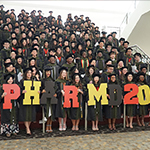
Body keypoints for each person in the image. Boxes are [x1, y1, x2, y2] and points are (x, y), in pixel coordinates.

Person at [18, 68, 40, 135]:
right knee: (25, 114)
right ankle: (27, 128)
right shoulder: (22, 81)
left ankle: (28, 127)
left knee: (30, 114)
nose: (29, 74)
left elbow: (37, 89)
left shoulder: (34, 81)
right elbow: (18, 90)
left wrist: (38, 91)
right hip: (24, 100)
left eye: (30, 73)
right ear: (25, 74)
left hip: (32, 100)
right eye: (28, 73)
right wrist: (22, 91)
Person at [41, 66, 56, 132]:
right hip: (45, 98)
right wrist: (42, 90)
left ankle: (50, 125)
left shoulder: (53, 80)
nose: (48, 73)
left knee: (51, 112)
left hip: (52, 98)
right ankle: (47, 126)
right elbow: (40, 88)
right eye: (47, 72)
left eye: (49, 72)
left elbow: (56, 88)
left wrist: (55, 93)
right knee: (47, 112)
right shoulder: (43, 80)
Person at [55, 67, 69, 131]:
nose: (64, 74)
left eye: (65, 73)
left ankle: (64, 124)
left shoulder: (68, 81)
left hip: (66, 98)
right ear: (60, 73)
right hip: (60, 97)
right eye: (63, 73)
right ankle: (60, 124)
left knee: (65, 111)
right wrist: (60, 91)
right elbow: (55, 89)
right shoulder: (57, 81)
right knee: (60, 111)